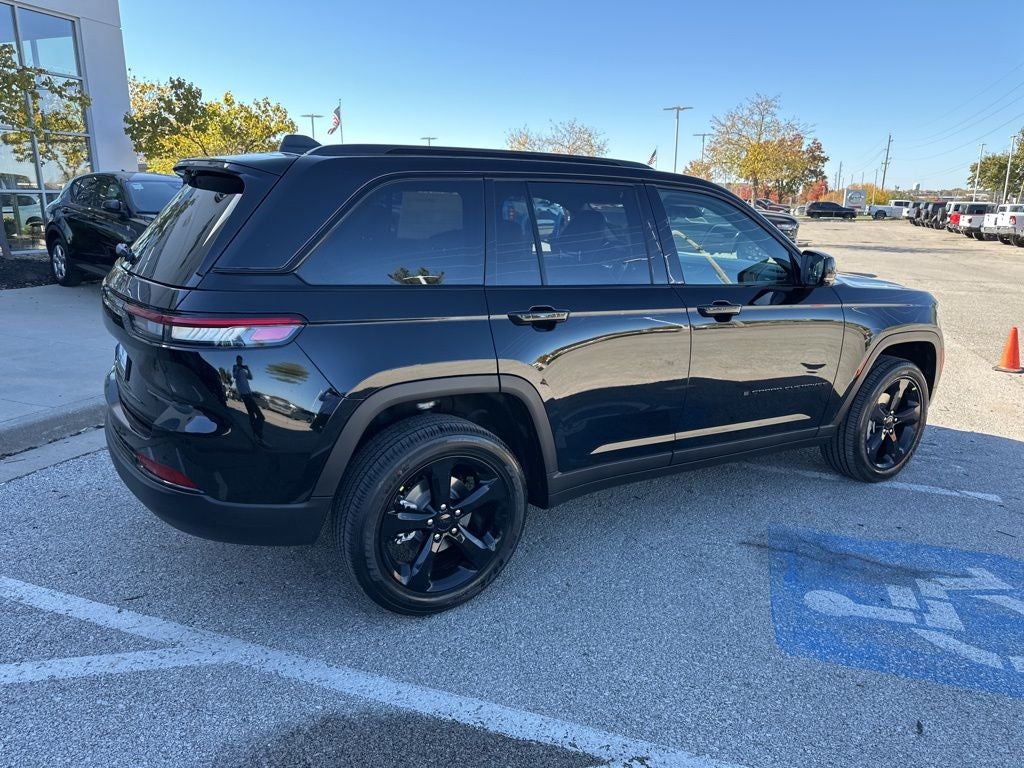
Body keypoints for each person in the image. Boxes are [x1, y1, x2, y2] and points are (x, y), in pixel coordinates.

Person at [232, 355, 265, 440]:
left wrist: (248, 369)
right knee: (260, 416)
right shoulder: (235, 367)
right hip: (244, 394)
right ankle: (259, 435)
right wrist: (238, 369)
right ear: (236, 360)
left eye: (241, 360)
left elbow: (251, 377)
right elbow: (234, 376)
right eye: (238, 360)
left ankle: (255, 434)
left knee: (251, 414)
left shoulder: (243, 370)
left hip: (249, 394)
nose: (240, 362)